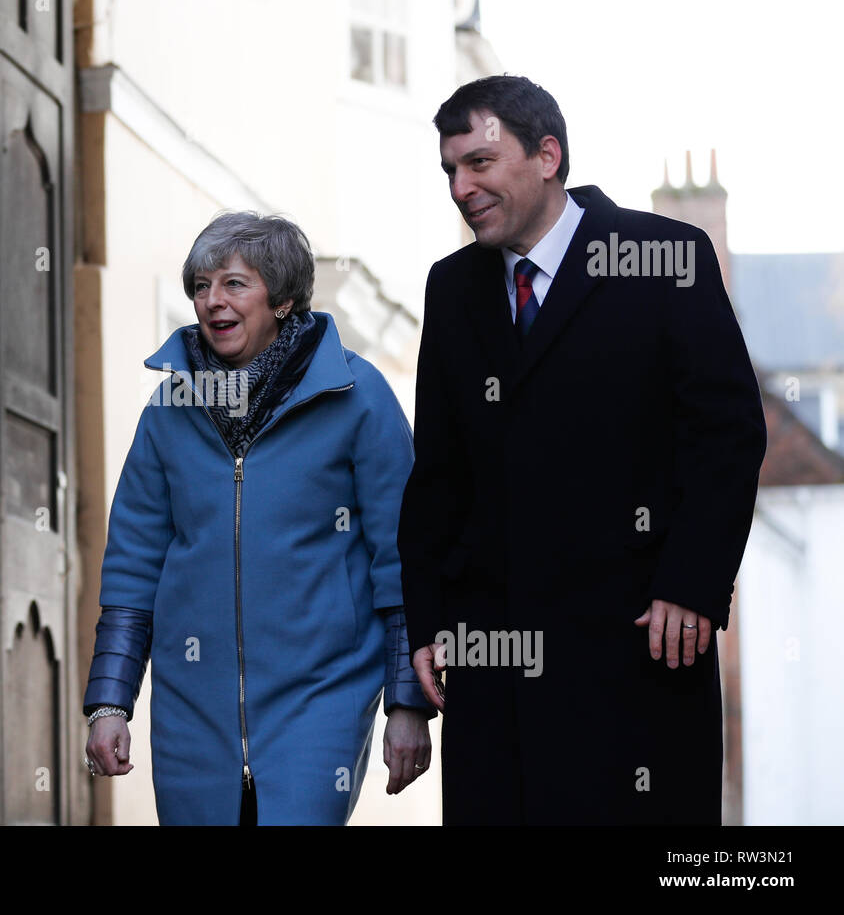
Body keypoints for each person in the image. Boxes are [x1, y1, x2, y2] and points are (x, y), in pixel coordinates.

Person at [399, 75, 767, 825]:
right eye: (450, 171)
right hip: (494, 672)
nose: (461, 188)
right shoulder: (451, 287)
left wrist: (693, 584)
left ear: (546, 155)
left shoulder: (666, 257)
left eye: (478, 163)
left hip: (639, 655)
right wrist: (431, 624)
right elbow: (438, 475)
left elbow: (728, 436)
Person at [83, 211, 436, 824]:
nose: (211, 301)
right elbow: (133, 568)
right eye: (200, 286)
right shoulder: (170, 407)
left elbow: (401, 560)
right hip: (191, 707)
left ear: (285, 299)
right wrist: (110, 703)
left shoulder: (358, 395)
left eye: (233, 284)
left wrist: (407, 706)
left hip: (322, 698)